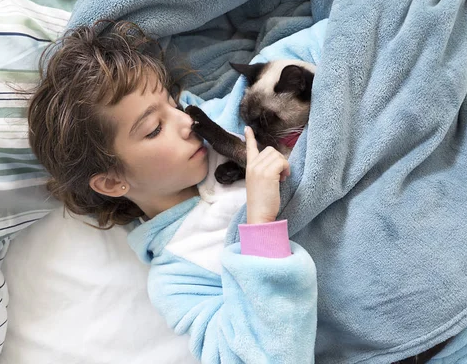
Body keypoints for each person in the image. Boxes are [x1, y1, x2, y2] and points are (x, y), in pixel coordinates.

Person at [27, 20, 318, 363]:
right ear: (112, 182)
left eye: (173, 104)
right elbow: (255, 355)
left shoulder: (218, 118)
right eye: (153, 129)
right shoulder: (178, 277)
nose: (185, 122)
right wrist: (260, 225)